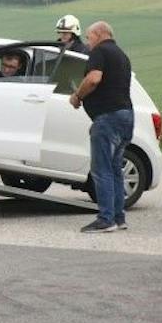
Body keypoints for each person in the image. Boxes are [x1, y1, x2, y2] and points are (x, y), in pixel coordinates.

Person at [68, 21, 133, 232]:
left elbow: (94, 79)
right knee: (115, 169)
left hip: (107, 118)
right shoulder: (121, 55)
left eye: (89, 37)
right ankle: (118, 217)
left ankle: (105, 219)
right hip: (126, 116)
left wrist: (78, 96)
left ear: (98, 34)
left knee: (101, 169)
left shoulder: (100, 51)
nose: (88, 43)